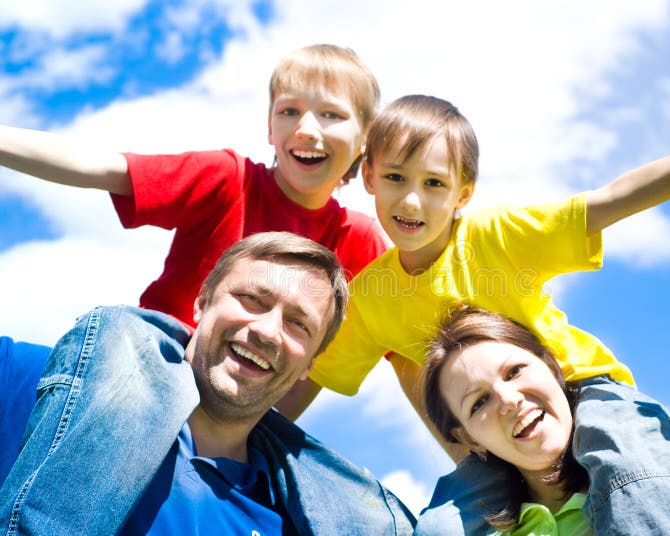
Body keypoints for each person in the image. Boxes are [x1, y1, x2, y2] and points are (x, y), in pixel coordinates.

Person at [275, 89, 670, 534]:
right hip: (491, 448)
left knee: (631, 467)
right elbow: (309, 382)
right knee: (441, 522)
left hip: (586, 393)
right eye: (395, 178)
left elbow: (611, 199)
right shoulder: (370, 298)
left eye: (433, 183)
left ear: (464, 192)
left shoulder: (495, 237)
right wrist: (225, 431)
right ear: (367, 175)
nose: (411, 202)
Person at [0, 232, 415, 535]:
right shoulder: (55, 385)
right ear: (201, 302)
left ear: (310, 364)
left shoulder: (294, 520)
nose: (268, 331)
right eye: (253, 300)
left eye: (298, 325)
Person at [0, 43, 385, 328]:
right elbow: (98, 165)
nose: (306, 129)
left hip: (247, 400)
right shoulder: (229, 180)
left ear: (365, 139)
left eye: (331, 114)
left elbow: (406, 334)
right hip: (162, 355)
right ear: (269, 127)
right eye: (289, 111)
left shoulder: (358, 241)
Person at [420, 303, 670, 535]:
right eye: (478, 403)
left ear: (553, 367)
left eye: (515, 371)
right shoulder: (485, 530)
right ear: (469, 439)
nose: (507, 399)